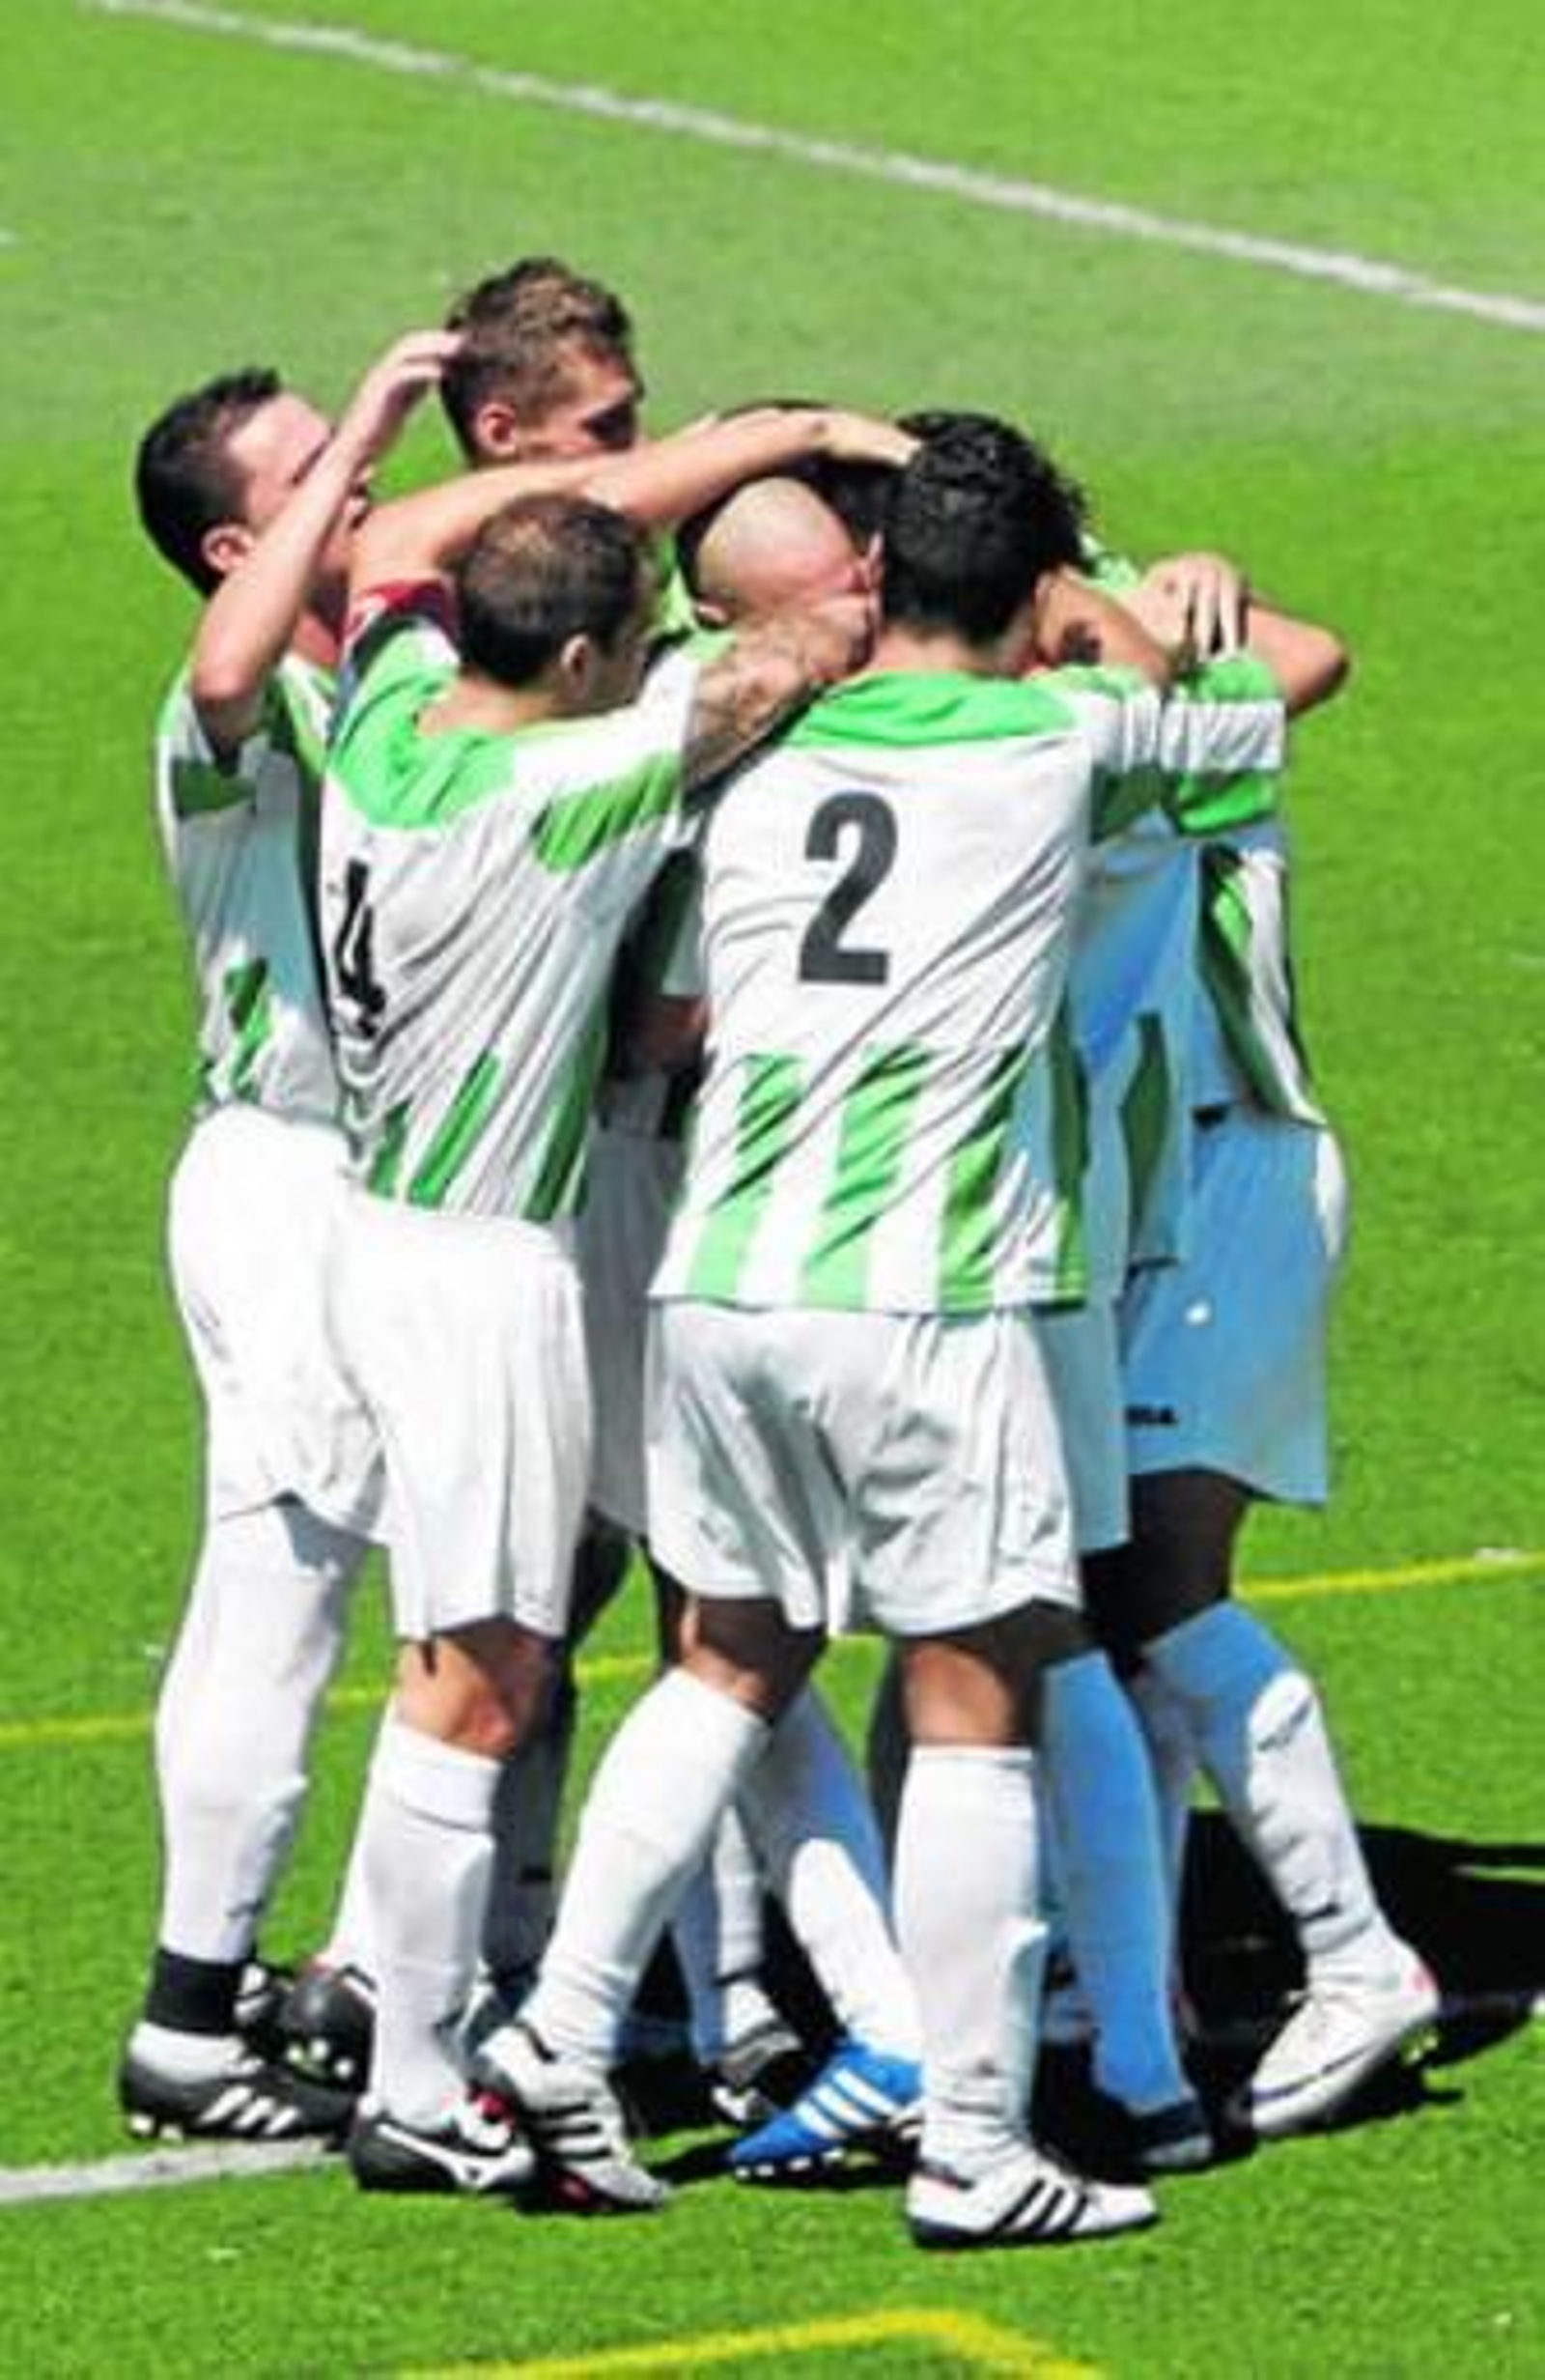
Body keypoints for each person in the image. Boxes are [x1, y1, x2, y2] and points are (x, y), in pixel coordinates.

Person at [474, 417, 1301, 2249]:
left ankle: (560, 2032)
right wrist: (1098, 594)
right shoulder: (1067, 740)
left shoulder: (748, 743)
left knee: (728, 1658)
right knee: (981, 1689)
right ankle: (979, 2143)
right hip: (928, 1295)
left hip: (724, 1277)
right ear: (1030, 592)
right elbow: (1258, 705)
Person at [316, 409, 895, 2197]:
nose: (654, 667)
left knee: (472, 1661)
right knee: (481, 1684)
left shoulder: (390, 716)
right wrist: (831, 507)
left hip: (388, 1231)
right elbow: (780, 666)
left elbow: (393, 550)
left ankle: (426, 2053)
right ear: (579, 660)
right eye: (636, 643)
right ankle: (418, 2081)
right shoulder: (564, 796)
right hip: (481, 1266)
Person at [120, 329, 458, 2142]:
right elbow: (224, 665)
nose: (368, 476)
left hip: (367, 1186)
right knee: (282, 1597)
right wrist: (382, 417)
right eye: (318, 463)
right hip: (288, 1185)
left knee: (328, 1587)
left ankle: (321, 1969)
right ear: (236, 547)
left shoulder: (385, 671)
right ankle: (190, 2021)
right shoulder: (226, 720)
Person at [1086, 585, 1440, 2138]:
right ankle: (1136, 1970)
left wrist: (1133, 592)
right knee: (1111, 1593)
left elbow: (1312, 656)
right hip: (1147, 1182)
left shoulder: (1148, 721)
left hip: (1228, 1171)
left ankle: (1357, 1958)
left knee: (1162, 1585)